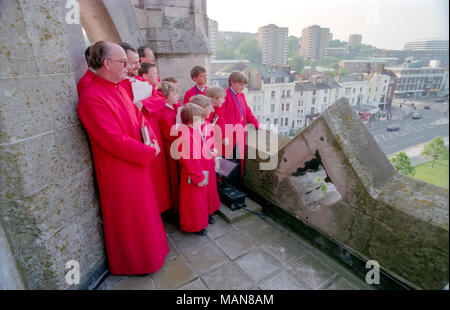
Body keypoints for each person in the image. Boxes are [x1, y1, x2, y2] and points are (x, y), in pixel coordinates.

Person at [77, 41, 168, 275]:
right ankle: (136, 263)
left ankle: (151, 256)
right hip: (119, 168)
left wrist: (150, 139)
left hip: (135, 159)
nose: (129, 67)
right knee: (131, 218)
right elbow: (112, 140)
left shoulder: (117, 87)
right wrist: (147, 151)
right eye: (123, 62)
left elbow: (137, 117)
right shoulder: (92, 97)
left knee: (144, 212)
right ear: (107, 63)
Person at [215, 71, 260, 180]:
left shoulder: (241, 95)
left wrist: (256, 123)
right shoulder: (224, 95)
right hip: (228, 137)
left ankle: (235, 187)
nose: (243, 87)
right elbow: (220, 116)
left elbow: (247, 111)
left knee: (238, 163)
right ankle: (226, 187)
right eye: (240, 84)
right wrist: (223, 135)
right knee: (228, 165)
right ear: (232, 82)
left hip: (239, 135)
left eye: (244, 84)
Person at [178, 103, 210, 235]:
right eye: (200, 119)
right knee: (193, 203)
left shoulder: (192, 131)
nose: (202, 121)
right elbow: (189, 159)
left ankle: (198, 223)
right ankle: (193, 226)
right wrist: (198, 177)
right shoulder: (186, 135)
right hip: (193, 173)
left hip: (198, 171)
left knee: (198, 201)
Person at [189, 95, 221, 224]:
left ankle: (209, 211)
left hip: (208, 162)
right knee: (198, 193)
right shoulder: (191, 127)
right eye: (209, 107)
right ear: (201, 109)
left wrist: (213, 150)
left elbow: (210, 140)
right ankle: (199, 218)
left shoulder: (207, 123)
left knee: (210, 189)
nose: (212, 110)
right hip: (198, 164)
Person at [157, 81, 182, 216]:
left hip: (175, 149)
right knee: (175, 180)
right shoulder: (164, 113)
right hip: (172, 151)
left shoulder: (170, 109)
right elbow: (172, 135)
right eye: (174, 93)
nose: (178, 96)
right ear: (165, 96)